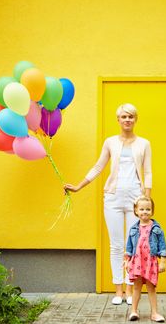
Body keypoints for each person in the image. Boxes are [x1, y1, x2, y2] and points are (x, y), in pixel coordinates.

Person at [64, 103, 152, 305]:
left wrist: (146, 197)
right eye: (124, 116)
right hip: (112, 197)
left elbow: (148, 172)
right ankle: (119, 291)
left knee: (133, 245)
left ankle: (130, 290)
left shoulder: (144, 144)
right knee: (116, 245)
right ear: (118, 120)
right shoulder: (110, 142)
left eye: (131, 116)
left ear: (135, 119)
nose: (127, 120)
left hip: (135, 199)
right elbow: (98, 166)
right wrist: (79, 186)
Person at [124, 195, 166, 322]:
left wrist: (163, 261)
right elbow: (129, 247)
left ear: (152, 211)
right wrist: (127, 261)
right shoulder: (133, 229)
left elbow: (162, 246)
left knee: (151, 287)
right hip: (137, 262)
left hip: (150, 262)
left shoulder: (156, 228)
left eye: (148, 209)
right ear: (136, 211)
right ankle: (133, 311)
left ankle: (154, 313)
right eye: (142, 209)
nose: (145, 212)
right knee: (136, 287)